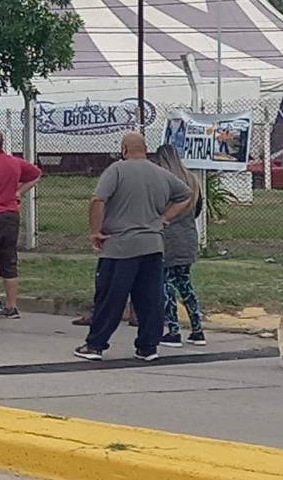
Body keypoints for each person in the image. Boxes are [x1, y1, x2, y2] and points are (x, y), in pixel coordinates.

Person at [76, 132, 191, 362]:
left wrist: (95, 231)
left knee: (110, 296)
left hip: (120, 245)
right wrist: (164, 218)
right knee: (150, 299)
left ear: (124, 149)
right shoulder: (161, 173)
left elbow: (97, 200)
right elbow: (185, 195)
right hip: (153, 245)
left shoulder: (116, 170)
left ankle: (95, 344)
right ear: (145, 149)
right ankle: (148, 347)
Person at [0, 130, 42, 319]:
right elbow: (36, 174)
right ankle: (12, 306)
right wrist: (19, 192)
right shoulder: (15, 162)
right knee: (9, 261)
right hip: (11, 214)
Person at [153, 144, 207, 348]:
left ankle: (173, 330)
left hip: (167, 237)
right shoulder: (192, 179)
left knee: (166, 284)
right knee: (185, 284)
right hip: (188, 235)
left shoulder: (163, 180)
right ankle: (197, 329)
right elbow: (198, 208)